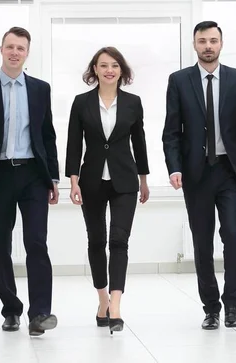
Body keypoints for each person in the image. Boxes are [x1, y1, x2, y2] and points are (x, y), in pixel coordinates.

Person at [162, 21, 236, 330]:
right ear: (194, 44)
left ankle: (232, 305)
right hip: (196, 172)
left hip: (230, 171)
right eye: (202, 41)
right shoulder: (179, 81)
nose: (208, 46)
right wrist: (174, 167)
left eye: (213, 40)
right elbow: (171, 132)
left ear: (221, 43)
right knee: (202, 241)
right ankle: (211, 307)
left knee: (232, 234)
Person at [0, 27, 59, 336]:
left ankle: (40, 313)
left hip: (34, 174)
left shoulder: (39, 89)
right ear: (1, 49)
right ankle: (11, 309)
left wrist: (54, 177)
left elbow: (48, 135)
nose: (15, 52)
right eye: (10, 46)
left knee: (36, 242)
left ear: (27, 53)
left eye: (21, 48)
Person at [65, 46, 150, 334]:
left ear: (121, 71)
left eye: (114, 65)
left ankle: (116, 304)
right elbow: (74, 144)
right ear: (95, 70)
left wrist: (144, 178)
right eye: (103, 65)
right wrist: (73, 180)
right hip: (91, 180)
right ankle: (102, 300)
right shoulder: (81, 103)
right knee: (96, 240)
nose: (109, 70)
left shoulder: (133, 103)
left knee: (119, 240)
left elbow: (139, 142)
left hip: (125, 180)